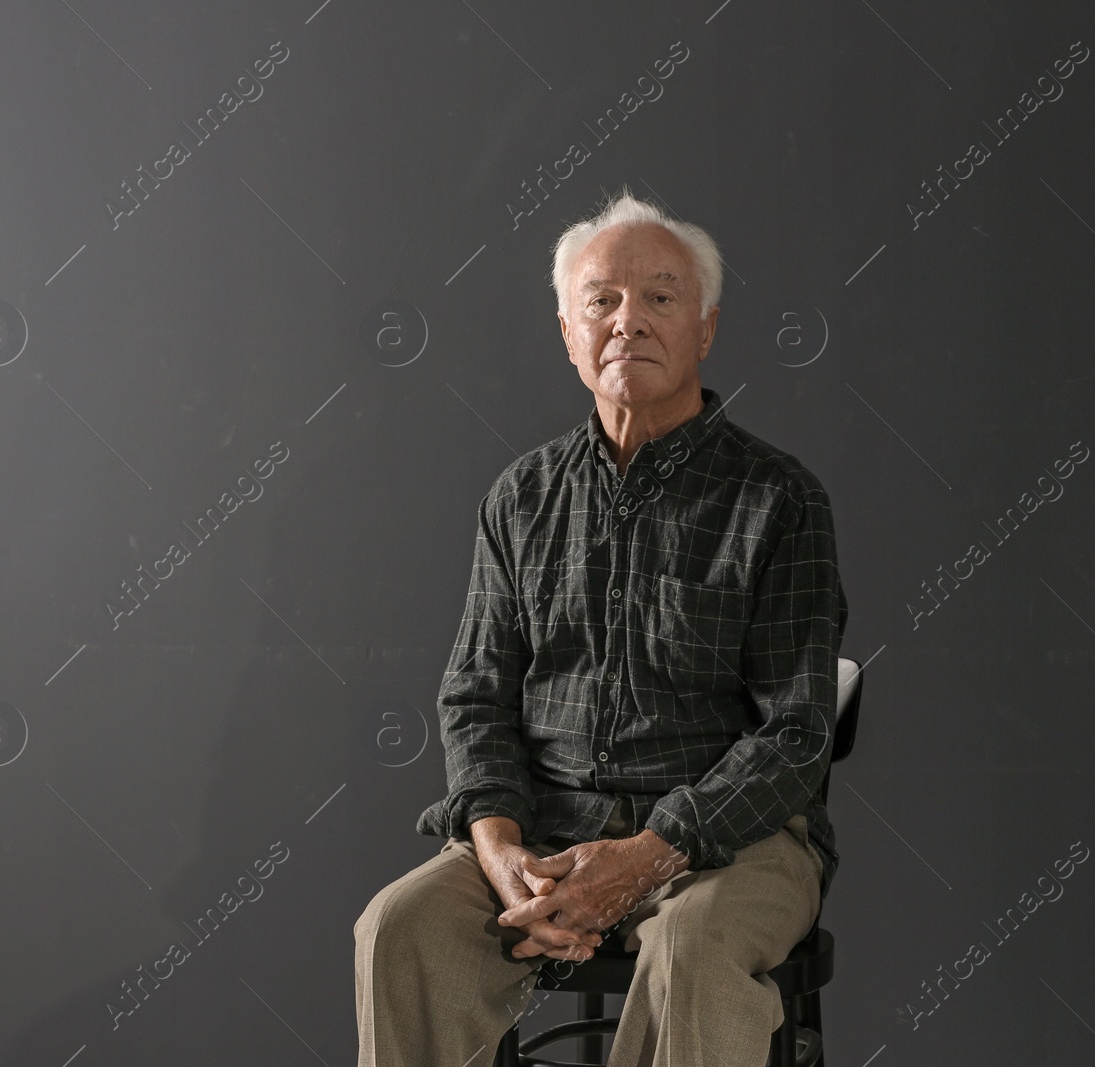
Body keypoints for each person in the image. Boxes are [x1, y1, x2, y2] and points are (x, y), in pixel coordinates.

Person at [354, 186, 849, 1066]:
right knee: (400, 927)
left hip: (733, 845)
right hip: (546, 832)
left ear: (705, 327)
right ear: (568, 333)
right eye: (602, 301)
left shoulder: (779, 499)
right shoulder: (521, 498)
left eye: (661, 297)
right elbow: (476, 697)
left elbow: (796, 733)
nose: (630, 321)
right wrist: (502, 851)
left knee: (691, 947)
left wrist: (654, 850)